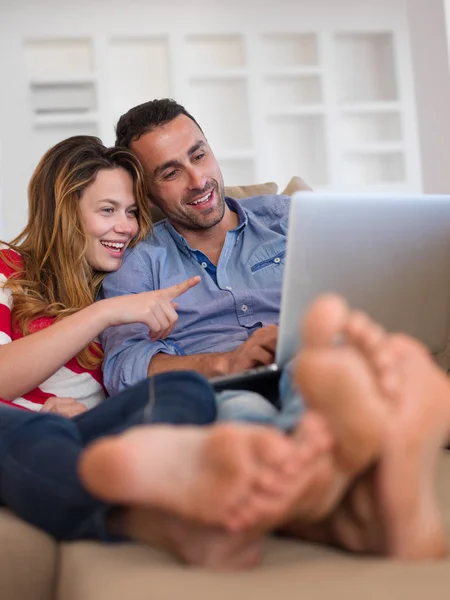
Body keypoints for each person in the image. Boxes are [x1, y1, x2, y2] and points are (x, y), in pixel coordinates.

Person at [100, 98, 301, 429]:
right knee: (246, 415)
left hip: (310, 369)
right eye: (171, 172)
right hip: (225, 395)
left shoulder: (287, 217)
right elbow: (124, 365)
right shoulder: (137, 260)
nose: (197, 180)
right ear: (146, 194)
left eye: (198, 156)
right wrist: (224, 363)